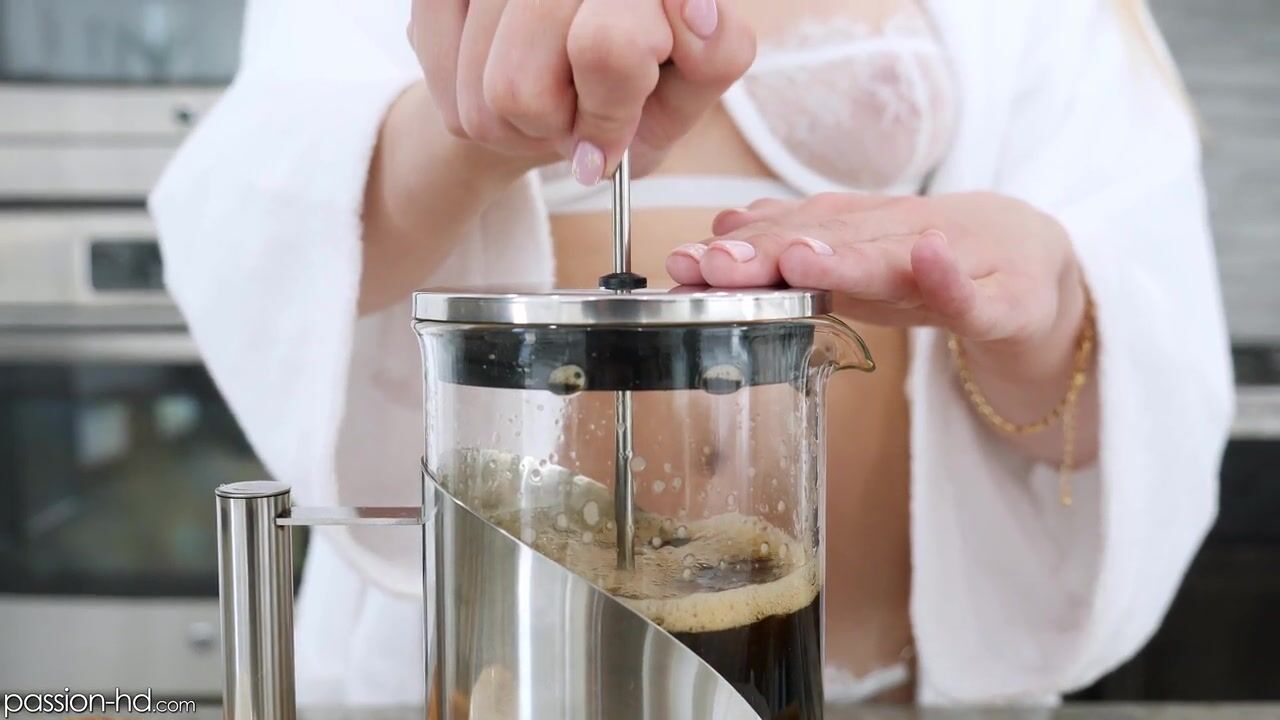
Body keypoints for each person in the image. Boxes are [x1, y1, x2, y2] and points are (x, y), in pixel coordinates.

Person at [150, 0, 1233, 706]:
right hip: (500, 678)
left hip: (872, 687)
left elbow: (1138, 381)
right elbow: (269, 233)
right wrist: (471, 125)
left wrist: (1040, 308)